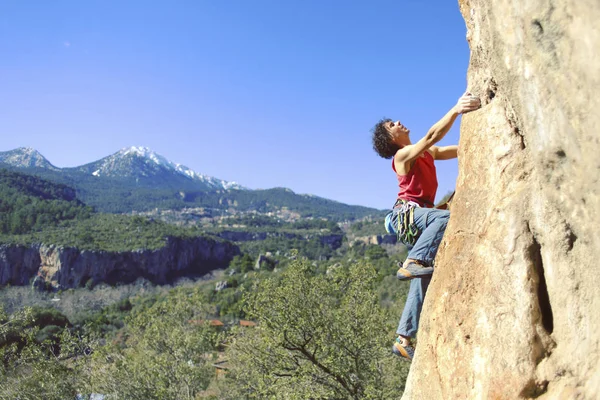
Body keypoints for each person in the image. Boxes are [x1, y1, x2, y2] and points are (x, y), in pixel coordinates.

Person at [371, 92, 481, 361]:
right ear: (391, 140)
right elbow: (432, 137)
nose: (398, 122)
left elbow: (447, 149)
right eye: (391, 125)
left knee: (423, 278)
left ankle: (403, 338)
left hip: (420, 219)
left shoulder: (426, 152)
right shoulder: (403, 156)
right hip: (407, 215)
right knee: (445, 218)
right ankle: (413, 260)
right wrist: (456, 110)